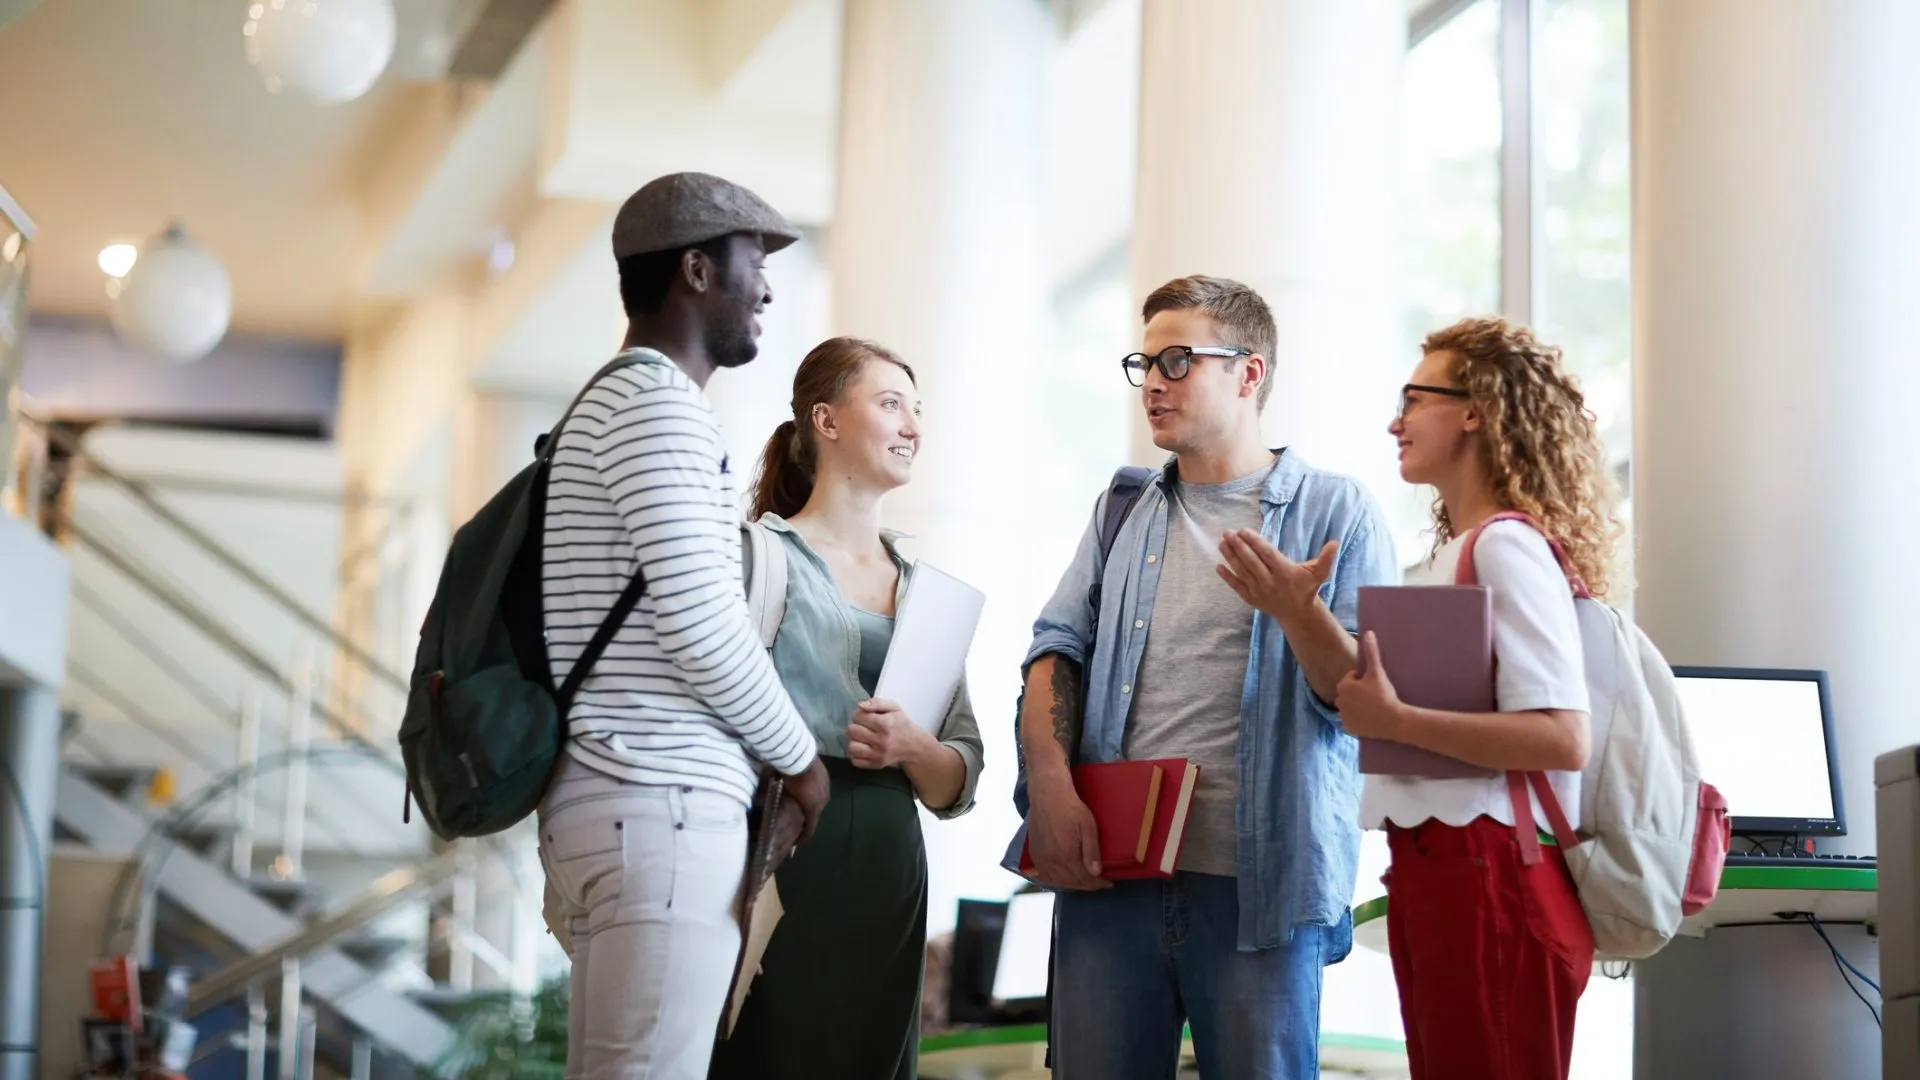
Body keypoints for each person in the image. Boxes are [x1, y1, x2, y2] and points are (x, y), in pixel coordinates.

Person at [1011, 275, 1400, 1079]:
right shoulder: (1121, 508)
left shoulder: (1338, 512)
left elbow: (1363, 704)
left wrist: (1299, 613)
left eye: (1179, 360)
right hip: (1110, 877)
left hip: (1260, 892)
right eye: (1145, 363)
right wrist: (1048, 786)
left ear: (1249, 374)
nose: (1153, 381)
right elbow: (1055, 647)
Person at [535, 172, 832, 1080]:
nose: (768, 290)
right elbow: (704, 627)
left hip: (614, 799)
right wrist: (801, 760)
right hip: (658, 805)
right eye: (754, 263)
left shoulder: (611, 406)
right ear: (697, 271)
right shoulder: (655, 406)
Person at [1336, 315, 1619, 1080]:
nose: (1395, 422)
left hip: (1489, 871)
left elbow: (1563, 736)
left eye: (1413, 399)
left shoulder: (1505, 545)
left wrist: (1395, 721)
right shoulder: (1458, 553)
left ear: (1476, 409)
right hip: (1444, 867)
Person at [708, 337, 984, 1080]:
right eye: (891, 403)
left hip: (892, 872)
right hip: (783, 854)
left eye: (918, 410)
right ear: (825, 422)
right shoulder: (753, 557)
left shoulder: (929, 592)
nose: (913, 426)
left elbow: (961, 777)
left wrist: (912, 748)